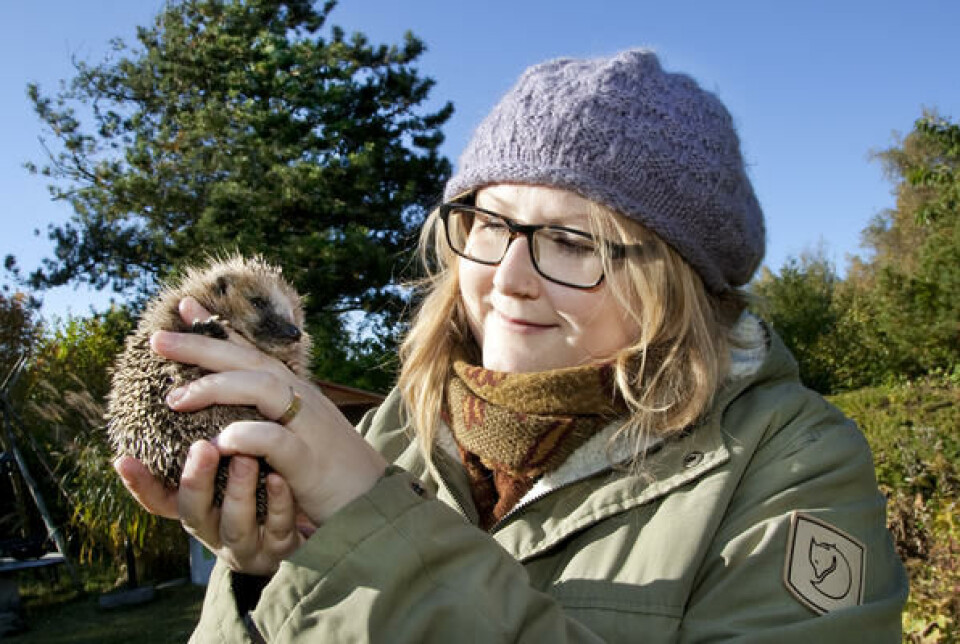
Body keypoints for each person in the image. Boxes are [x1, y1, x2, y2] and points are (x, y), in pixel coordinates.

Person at [115, 49, 908, 642]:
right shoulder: (397, 430)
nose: (510, 279)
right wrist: (265, 579)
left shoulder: (794, 462)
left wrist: (373, 525)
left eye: (571, 241)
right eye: (491, 225)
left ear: (677, 277)